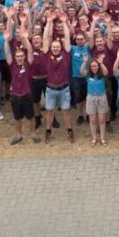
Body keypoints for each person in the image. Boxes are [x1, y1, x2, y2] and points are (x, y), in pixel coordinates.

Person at [4, 29, 40, 145]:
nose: (19, 58)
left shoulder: (28, 64)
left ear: (24, 57)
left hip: (27, 96)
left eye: (21, 56)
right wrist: (6, 40)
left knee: (31, 117)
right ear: (15, 57)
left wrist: (25, 38)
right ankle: (18, 135)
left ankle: (33, 134)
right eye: (17, 56)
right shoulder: (12, 65)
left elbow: (30, 50)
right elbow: (7, 53)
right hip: (15, 96)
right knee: (17, 118)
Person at [42, 11, 74, 143]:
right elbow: (45, 39)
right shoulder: (47, 54)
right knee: (50, 112)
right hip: (50, 89)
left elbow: (67, 37)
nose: (55, 48)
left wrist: (65, 22)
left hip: (64, 89)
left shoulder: (66, 53)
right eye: (53, 47)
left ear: (61, 47)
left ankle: (69, 130)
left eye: (57, 47)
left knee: (66, 111)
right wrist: (49, 22)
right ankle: (48, 131)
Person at [83, 57, 109, 146]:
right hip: (91, 98)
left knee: (102, 119)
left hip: (101, 97)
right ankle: (94, 138)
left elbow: (106, 72)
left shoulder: (102, 75)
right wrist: (85, 62)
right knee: (93, 120)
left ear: (98, 67)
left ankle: (102, 138)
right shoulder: (88, 76)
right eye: (92, 66)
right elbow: (82, 71)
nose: (94, 68)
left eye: (95, 66)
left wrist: (101, 63)